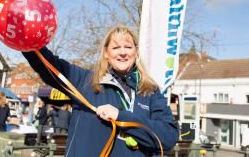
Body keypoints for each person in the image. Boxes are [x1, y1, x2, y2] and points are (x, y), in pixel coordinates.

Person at [23, 25, 178, 156]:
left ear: (136, 52)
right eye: (116, 47)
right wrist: (23, 33)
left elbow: (169, 136)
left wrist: (120, 116)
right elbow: (46, 63)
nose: (123, 52)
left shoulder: (150, 90)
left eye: (128, 47)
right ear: (106, 53)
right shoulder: (84, 80)